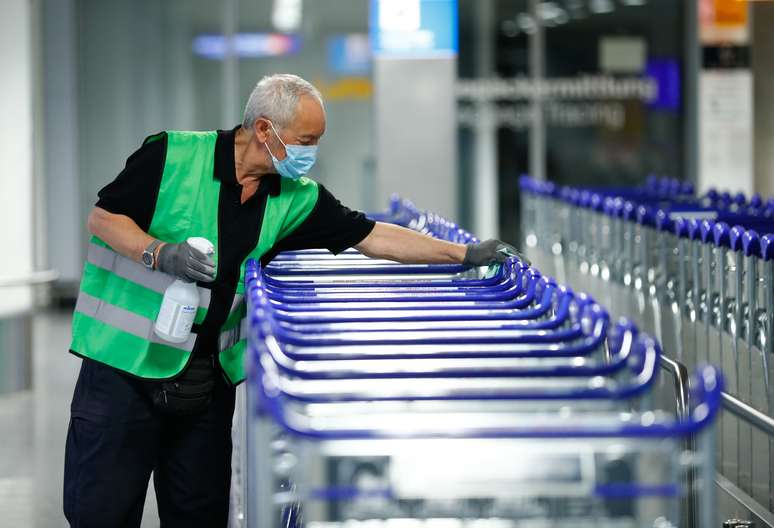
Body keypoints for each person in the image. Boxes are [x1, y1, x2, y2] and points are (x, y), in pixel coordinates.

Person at [63, 73, 521, 527]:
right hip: (123, 373)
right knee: (100, 511)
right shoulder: (172, 156)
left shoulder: (295, 198)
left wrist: (463, 253)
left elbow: (373, 236)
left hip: (206, 383)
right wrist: (160, 253)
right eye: (306, 140)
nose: (310, 153)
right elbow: (104, 218)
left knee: (198, 513)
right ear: (265, 129)